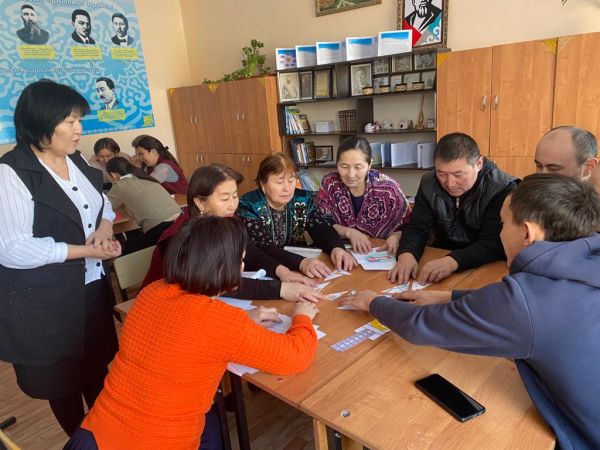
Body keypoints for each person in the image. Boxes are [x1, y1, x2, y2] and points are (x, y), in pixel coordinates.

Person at [341, 174, 600, 450]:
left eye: (503, 224)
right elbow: (525, 305)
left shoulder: (524, 303)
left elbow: (419, 325)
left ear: (527, 233)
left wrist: (373, 303)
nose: (499, 233)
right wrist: (449, 296)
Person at [64, 215, 319, 449]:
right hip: (156, 443)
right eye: (241, 261)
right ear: (222, 268)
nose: (242, 268)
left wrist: (243, 320)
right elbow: (295, 357)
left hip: (94, 434)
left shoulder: (152, 292)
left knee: (210, 425)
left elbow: (184, 330)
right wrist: (302, 317)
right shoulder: (220, 320)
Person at [0, 80, 120, 436]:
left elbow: (103, 202)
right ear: (41, 122)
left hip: (91, 291)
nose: (79, 129)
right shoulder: (12, 172)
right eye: (70, 121)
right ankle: (81, 440)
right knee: (63, 384)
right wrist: (84, 251)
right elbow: (12, 248)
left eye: (79, 120)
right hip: (46, 303)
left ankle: (106, 437)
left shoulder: (76, 160)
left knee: (98, 372)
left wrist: (105, 229)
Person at [142, 164, 326, 303]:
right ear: (200, 203)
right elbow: (212, 281)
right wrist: (280, 289)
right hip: (166, 305)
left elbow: (251, 252)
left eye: (235, 196)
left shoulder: (228, 218)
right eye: (225, 198)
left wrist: (283, 272)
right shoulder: (180, 236)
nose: (233, 205)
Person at [390, 132, 517, 284]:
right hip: (441, 256)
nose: (449, 183)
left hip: (487, 264)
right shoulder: (428, 183)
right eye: (441, 173)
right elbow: (418, 227)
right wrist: (407, 253)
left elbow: (493, 242)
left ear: (479, 164)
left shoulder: (502, 188)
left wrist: (452, 261)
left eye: (458, 174)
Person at [238, 153, 357, 277]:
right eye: (279, 182)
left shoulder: (302, 199)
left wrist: (336, 248)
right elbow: (264, 246)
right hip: (263, 269)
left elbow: (321, 227)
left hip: (295, 264)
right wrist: (301, 263)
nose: (287, 188)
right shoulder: (249, 204)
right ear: (262, 183)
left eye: (291, 180)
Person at [317, 136, 412, 255]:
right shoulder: (330, 183)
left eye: (358, 167)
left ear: (369, 165)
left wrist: (396, 237)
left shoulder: (389, 189)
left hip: (378, 253)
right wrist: (349, 232)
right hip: (339, 251)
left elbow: (409, 226)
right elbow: (321, 222)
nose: (351, 174)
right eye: (344, 166)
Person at [106, 157, 182, 255]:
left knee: (125, 252)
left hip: (160, 227)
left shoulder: (120, 185)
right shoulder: (144, 177)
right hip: (179, 221)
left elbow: (103, 207)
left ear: (113, 174)